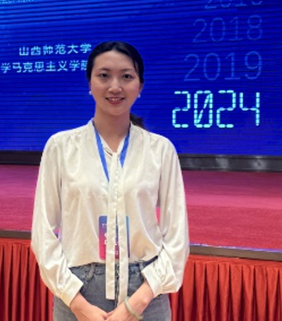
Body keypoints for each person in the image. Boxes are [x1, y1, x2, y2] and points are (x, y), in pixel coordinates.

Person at [31, 41, 189, 321]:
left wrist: (136, 303)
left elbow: (176, 236)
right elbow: (43, 233)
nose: (115, 86)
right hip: (77, 291)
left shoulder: (161, 150)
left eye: (126, 76)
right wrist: (79, 305)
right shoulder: (61, 147)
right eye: (104, 76)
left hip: (146, 293)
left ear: (140, 87)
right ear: (90, 84)